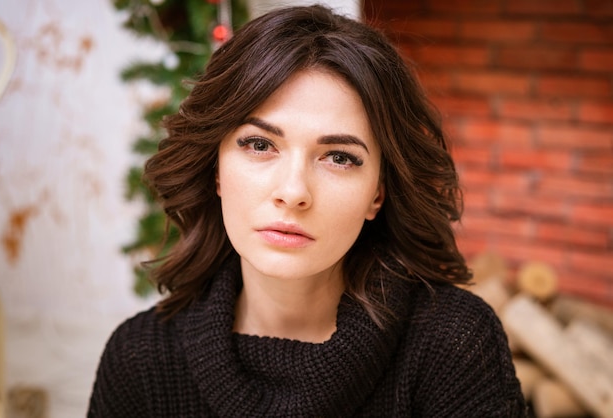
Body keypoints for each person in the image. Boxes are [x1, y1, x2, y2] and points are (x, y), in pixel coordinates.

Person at [88, 4, 526, 417]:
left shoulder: (454, 344)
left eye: (338, 157)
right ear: (216, 170)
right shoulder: (139, 358)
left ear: (378, 193)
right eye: (260, 145)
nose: (293, 192)